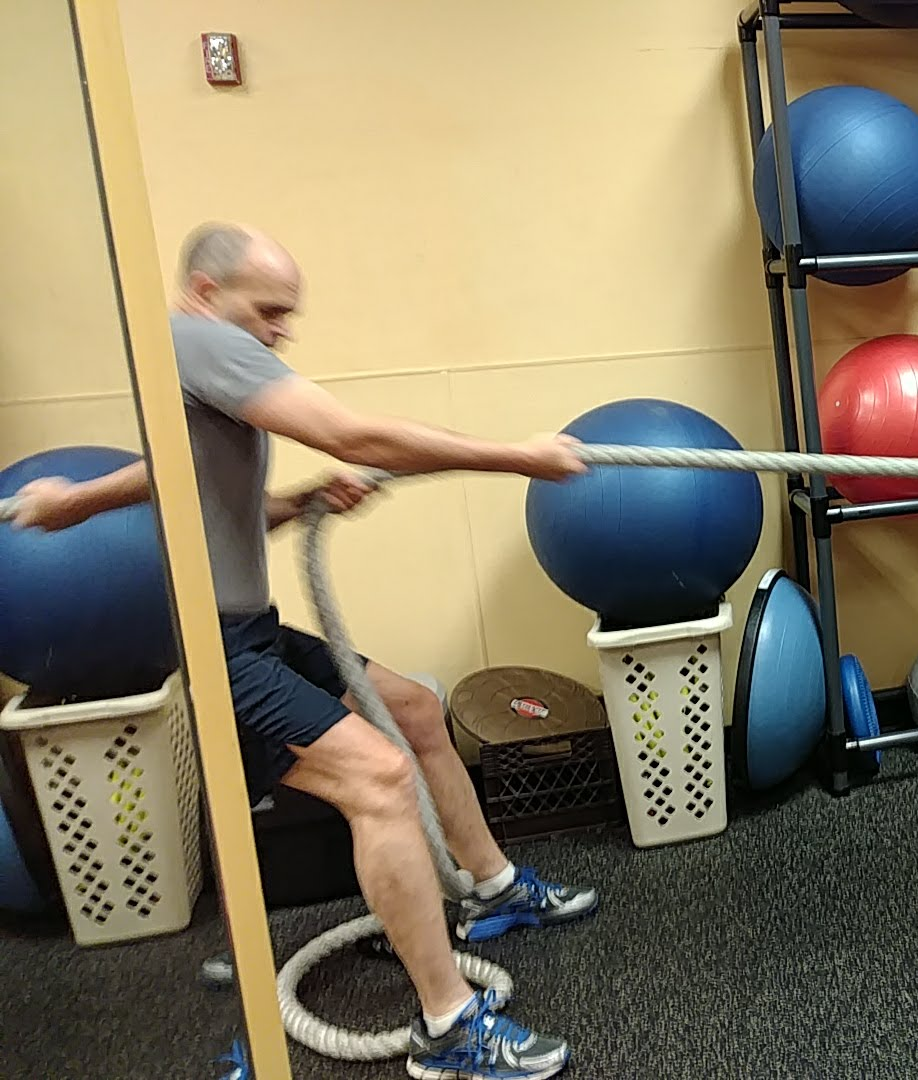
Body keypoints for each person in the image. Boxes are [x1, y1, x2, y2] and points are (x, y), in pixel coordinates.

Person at [12, 222, 598, 1080]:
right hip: (219, 648)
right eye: (271, 310)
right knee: (380, 780)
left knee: (410, 709)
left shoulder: (188, 357)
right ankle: (447, 1030)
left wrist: (88, 502)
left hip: (249, 627)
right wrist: (519, 458)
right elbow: (353, 435)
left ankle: (491, 888)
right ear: (208, 294)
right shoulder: (202, 339)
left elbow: (181, 476)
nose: (283, 330)